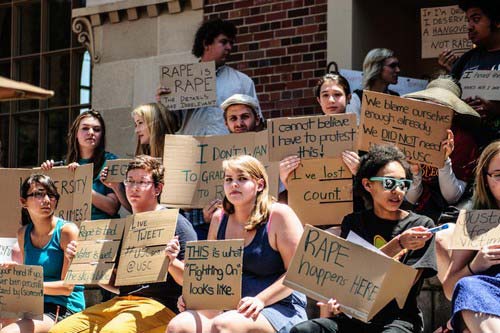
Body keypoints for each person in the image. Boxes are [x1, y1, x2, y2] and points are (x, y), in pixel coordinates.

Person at [290, 145, 436, 333]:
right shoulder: (354, 223)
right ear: (368, 185)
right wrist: (336, 302)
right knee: (304, 330)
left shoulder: (421, 226)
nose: (398, 190)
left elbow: (400, 286)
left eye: (403, 184)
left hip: (397, 320)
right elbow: (350, 279)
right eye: (389, 183)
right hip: (354, 319)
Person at [49, 155, 197, 333]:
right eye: (130, 181)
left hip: (161, 306)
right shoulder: (124, 226)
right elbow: (116, 285)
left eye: (142, 182)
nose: (134, 187)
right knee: (61, 330)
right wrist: (85, 261)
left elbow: (192, 281)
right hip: (121, 302)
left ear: (157, 188)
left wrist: (171, 262)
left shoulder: (177, 223)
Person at [167, 155, 307, 333]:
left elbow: (297, 275)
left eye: (242, 179)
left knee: (224, 325)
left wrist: (260, 300)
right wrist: (193, 296)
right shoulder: (219, 218)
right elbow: (210, 275)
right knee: (178, 326)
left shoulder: (280, 215)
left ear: (260, 185)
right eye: (228, 179)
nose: (234, 184)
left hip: (278, 305)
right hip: (230, 304)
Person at [0, 174, 84, 333]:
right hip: (33, 306)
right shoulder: (23, 233)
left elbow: (67, 287)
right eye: (38, 194)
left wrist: (28, 284)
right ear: (23, 202)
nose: (46, 200)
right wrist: (17, 274)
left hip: (62, 308)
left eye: (51, 195)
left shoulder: (67, 231)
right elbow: (35, 276)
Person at [157, 18, 262, 136]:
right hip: (193, 149)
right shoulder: (181, 80)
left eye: (231, 43)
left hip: (228, 150)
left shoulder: (243, 82)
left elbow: (257, 123)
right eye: (223, 42)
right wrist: (164, 104)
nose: (229, 47)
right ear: (206, 43)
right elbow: (171, 124)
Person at [441, 140, 500, 333]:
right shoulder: (475, 222)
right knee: (467, 286)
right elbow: (450, 289)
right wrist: (477, 264)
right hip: (489, 295)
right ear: (485, 179)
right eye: (499, 176)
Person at [279, 71, 360, 193]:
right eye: (325, 95)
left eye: (337, 94)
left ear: (348, 98)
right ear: (319, 100)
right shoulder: (304, 136)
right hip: (315, 202)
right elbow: (298, 188)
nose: (331, 100)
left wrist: (360, 171)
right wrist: (285, 177)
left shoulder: (361, 135)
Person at [100, 103, 178, 213]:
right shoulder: (143, 158)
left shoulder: (177, 157)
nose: (136, 130)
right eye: (136, 125)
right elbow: (135, 208)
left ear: (155, 124)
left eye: (140, 123)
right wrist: (116, 187)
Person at [41, 110, 120, 220]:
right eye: (85, 128)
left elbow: (112, 208)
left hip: (102, 232)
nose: (91, 132)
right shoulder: (64, 165)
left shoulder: (110, 161)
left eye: (97, 129)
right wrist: (47, 175)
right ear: (76, 134)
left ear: (102, 135)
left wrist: (80, 183)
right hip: (71, 230)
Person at [449, 0, 500, 146]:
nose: (469, 26)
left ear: (496, 21)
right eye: (468, 20)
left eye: (476, 19)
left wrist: (496, 109)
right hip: (471, 149)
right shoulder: (466, 60)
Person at [346, 48, 401, 121]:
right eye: (392, 66)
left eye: (397, 66)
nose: (398, 70)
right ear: (376, 68)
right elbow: (354, 129)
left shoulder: (396, 97)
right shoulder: (356, 99)